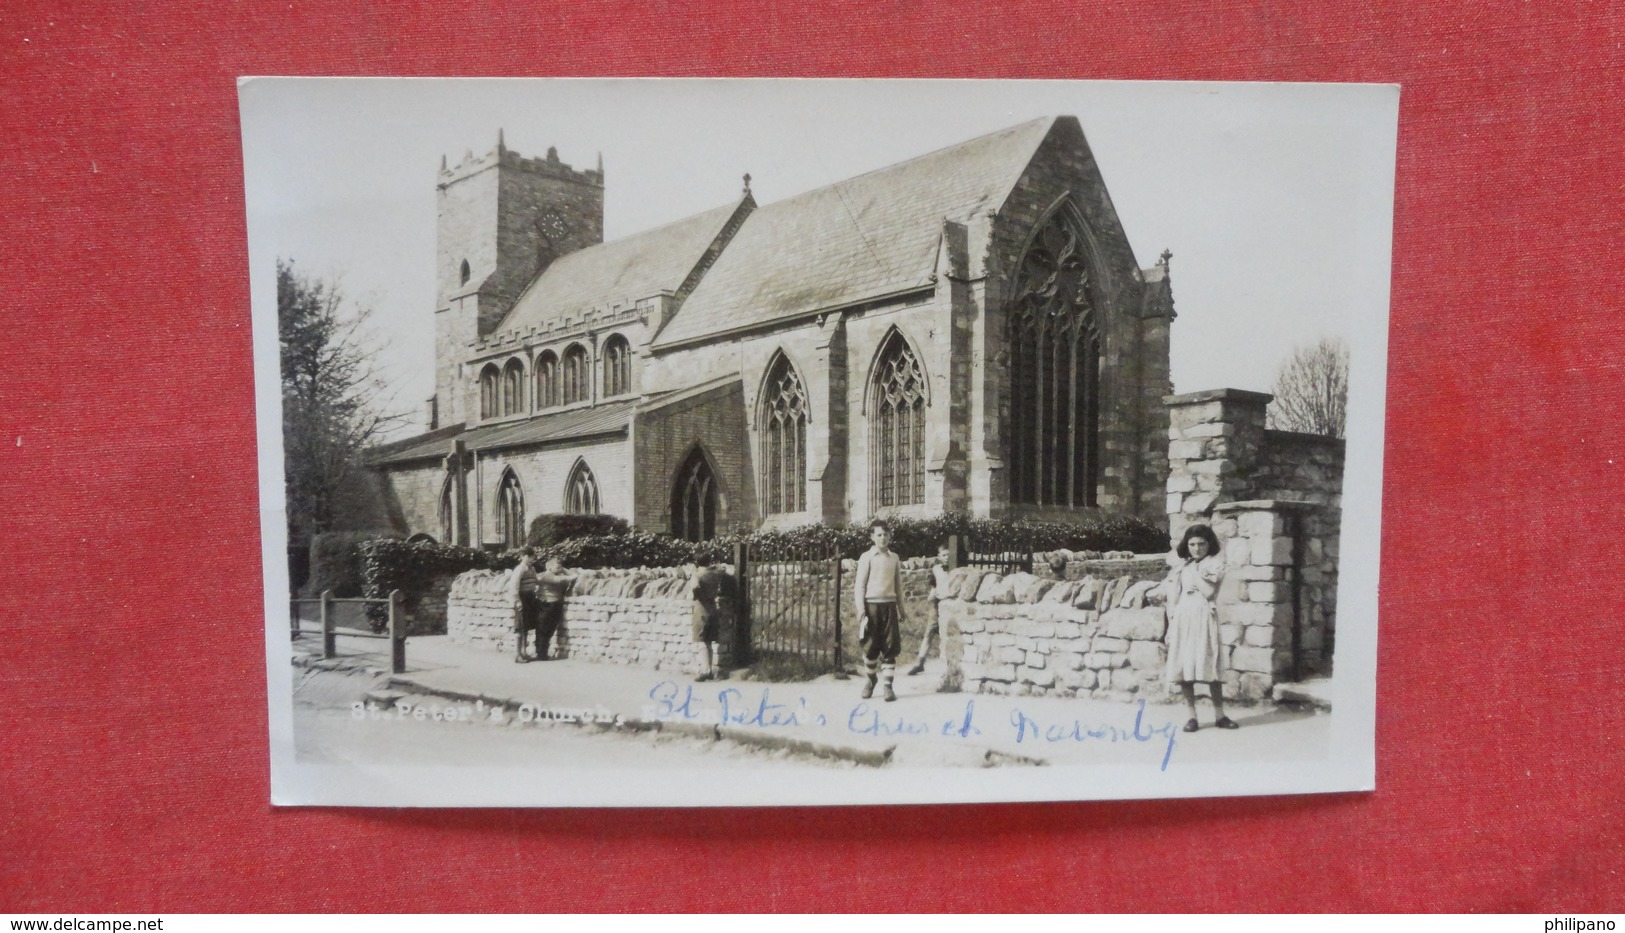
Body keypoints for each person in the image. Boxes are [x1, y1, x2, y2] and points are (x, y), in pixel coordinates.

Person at [1161, 523, 1237, 732]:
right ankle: (1191, 716)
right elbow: (1173, 600)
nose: (1196, 548)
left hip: (1204, 617)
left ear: (1208, 544)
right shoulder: (1181, 569)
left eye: (1201, 544)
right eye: (1192, 544)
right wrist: (1170, 626)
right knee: (1185, 666)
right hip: (1184, 619)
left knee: (1211, 664)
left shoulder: (1214, 565)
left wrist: (1194, 572)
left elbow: (1208, 592)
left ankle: (1220, 715)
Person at [853, 519, 905, 702]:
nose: (883, 538)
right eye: (879, 535)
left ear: (890, 536)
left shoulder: (894, 558)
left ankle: (888, 687)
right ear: (872, 537)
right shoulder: (866, 557)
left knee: (890, 646)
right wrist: (861, 609)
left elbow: (898, 586)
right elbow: (859, 586)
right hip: (871, 607)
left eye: (886, 534)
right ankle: (870, 680)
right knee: (870, 646)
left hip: (889, 606)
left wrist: (901, 609)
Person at [906, 545, 953, 676]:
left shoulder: (956, 569)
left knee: (947, 634)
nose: (947, 557)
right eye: (944, 555)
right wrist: (931, 596)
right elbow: (934, 586)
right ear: (939, 557)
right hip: (936, 605)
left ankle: (949, 665)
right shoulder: (936, 569)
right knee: (929, 632)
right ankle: (920, 662)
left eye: (949, 555)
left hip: (949, 606)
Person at [688, 554, 735, 682]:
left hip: (702, 608)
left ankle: (705, 670)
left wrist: (704, 599)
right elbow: (726, 570)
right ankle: (708, 668)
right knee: (709, 639)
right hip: (713, 607)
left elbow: (695, 588)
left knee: (701, 639)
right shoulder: (717, 572)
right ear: (709, 561)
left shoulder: (697, 574)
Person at [533, 556, 577, 661]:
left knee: (550, 629)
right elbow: (570, 577)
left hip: (555, 604)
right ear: (549, 568)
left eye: (560, 568)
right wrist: (565, 571)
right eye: (557, 568)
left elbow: (573, 576)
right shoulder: (547, 576)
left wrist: (561, 568)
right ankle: (541, 654)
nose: (559, 570)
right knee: (543, 629)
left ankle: (543, 653)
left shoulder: (555, 573)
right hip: (546, 604)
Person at [508, 549, 541, 663]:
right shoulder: (519, 569)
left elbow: (537, 581)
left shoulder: (532, 569)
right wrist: (517, 601)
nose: (532, 559)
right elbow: (514, 586)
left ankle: (524, 652)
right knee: (520, 626)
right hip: (522, 598)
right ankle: (517, 654)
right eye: (529, 557)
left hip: (530, 598)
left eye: (533, 557)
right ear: (523, 556)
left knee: (526, 626)